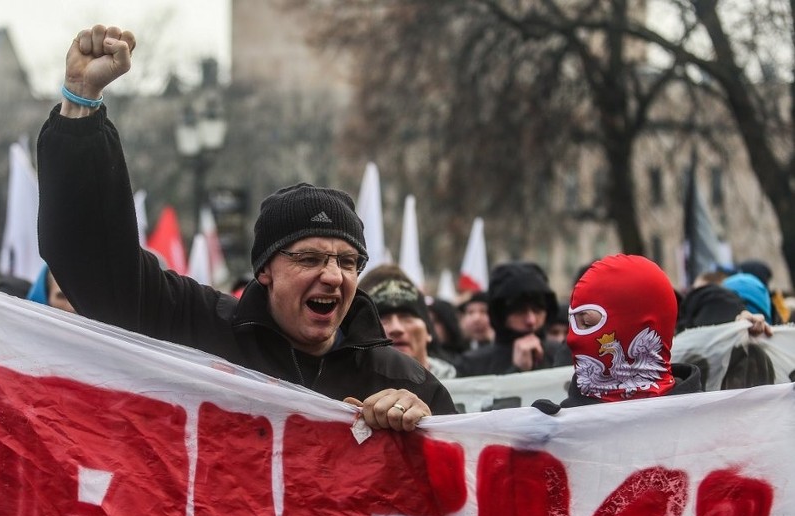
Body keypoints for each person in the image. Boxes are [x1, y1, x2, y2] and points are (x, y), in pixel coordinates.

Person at [36, 24, 456, 432]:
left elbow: (466, 482)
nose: (332, 276)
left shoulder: (406, 383)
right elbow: (96, 265)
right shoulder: (200, 330)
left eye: (348, 262)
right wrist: (81, 102)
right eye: (309, 258)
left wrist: (425, 430)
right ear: (264, 271)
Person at [561, 254, 704, 407]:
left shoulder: (710, 421)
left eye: (587, 323)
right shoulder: (559, 425)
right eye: (572, 323)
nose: (571, 339)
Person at [455, 261, 569, 377]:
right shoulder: (470, 364)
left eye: (537, 310)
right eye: (520, 311)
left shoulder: (565, 356)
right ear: (501, 314)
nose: (531, 320)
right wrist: (517, 370)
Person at [360, 265, 457, 380]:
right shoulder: (347, 390)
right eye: (383, 319)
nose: (396, 328)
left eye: (407, 317)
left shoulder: (466, 391)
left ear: (429, 331)